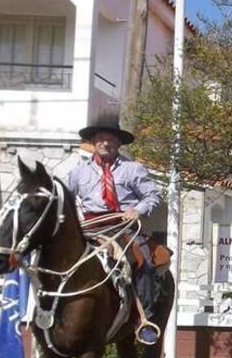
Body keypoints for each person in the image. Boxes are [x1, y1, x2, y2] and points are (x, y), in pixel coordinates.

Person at [67, 113, 162, 343]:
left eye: (110, 139)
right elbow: (66, 200)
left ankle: (144, 318)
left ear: (118, 143)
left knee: (144, 260)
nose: (105, 143)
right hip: (90, 228)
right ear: (94, 142)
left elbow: (153, 195)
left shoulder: (133, 169)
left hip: (123, 228)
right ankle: (54, 313)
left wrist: (137, 210)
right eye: (100, 139)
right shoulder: (79, 171)